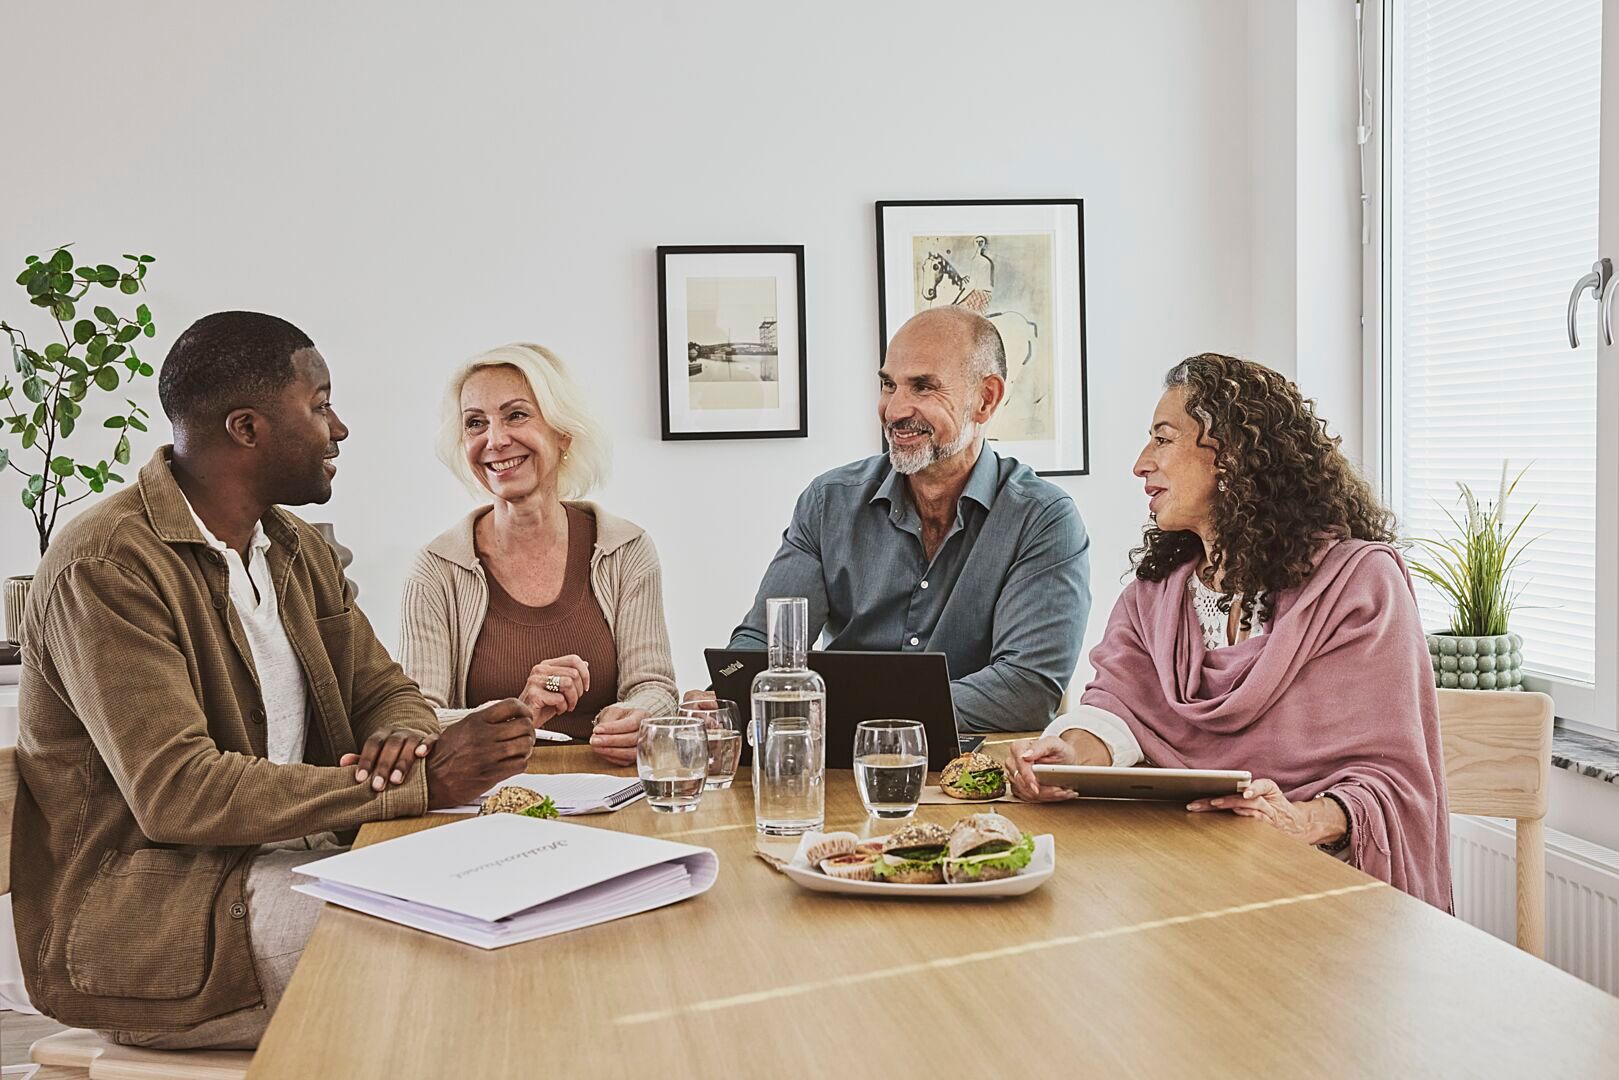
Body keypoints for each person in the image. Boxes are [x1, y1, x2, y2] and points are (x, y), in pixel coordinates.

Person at [12, 312, 535, 1049]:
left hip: (305, 861)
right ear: (247, 428)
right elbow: (178, 792)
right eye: (320, 406)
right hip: (170, 928)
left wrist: (403, 737)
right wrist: (419, 782)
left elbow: (384, 689)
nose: (339, 429)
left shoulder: (293, 547)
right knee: (476, 960)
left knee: (530, 902)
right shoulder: (105, 567)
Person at [1007, 353, 1451, 909]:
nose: (1141, 464)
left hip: (1322, 891)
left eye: (1163, 439)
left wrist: (1300, 820)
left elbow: (1392, 779)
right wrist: (1068, 760)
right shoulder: (1153, 597)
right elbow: (1117, 712)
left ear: (1232, 455)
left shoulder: (1359, 585)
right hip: (1179, 881)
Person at [718, 307, 1091, 733]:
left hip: (972, 764)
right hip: (842, 761)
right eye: (888, 385)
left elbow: (1025, 691)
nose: (894, 410)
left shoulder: (1043, 520)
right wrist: (726, 693)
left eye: (923, 387)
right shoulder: (829, 502)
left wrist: (857, 711)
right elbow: (764, 647)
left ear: (985, 399)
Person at [400, 343, 677, 766]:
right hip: (490, 791)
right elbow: (416, 720)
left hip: (613, 788)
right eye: (475, 423)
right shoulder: (437, 568)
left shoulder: (626, 549)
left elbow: (655, 686)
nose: (495, 440)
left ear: (562, 432)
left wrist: (638, 715)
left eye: (516, 415)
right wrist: (518, 712)